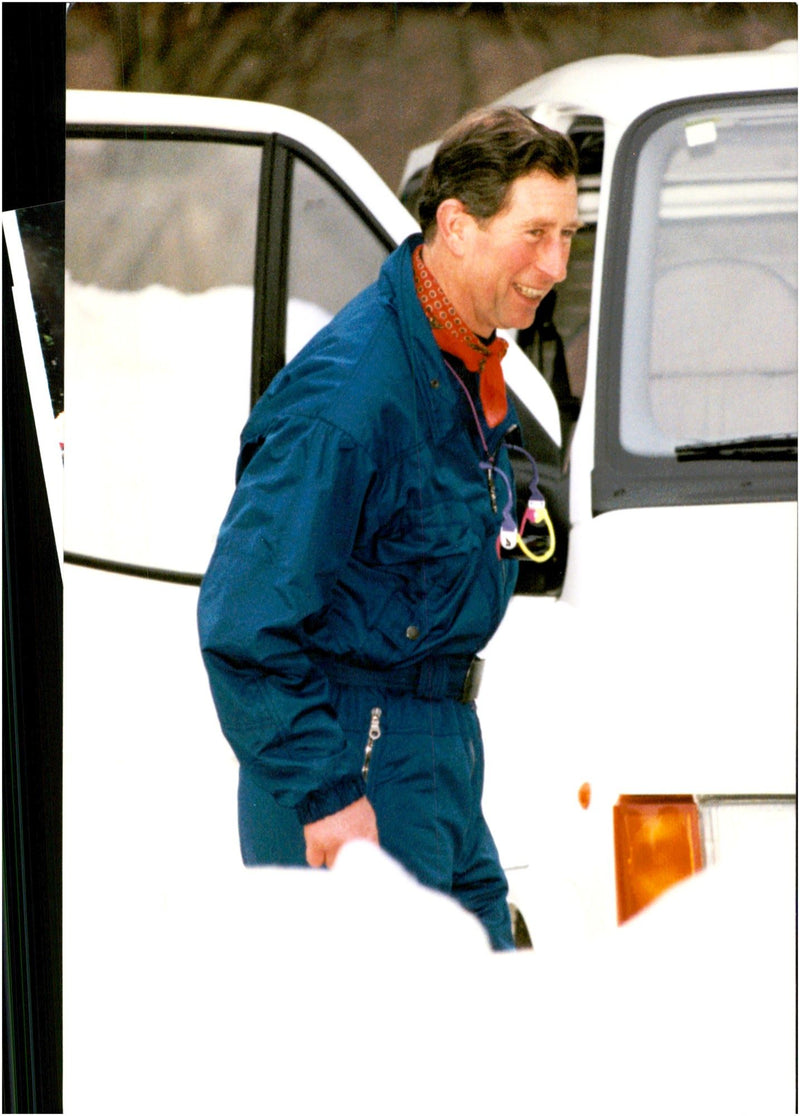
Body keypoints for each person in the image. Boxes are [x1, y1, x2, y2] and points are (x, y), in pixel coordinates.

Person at [197, 106, 579, 950]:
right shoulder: (350, 399)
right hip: (348, 759)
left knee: (483, 1017)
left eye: (568, 235)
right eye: (535, 233)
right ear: (457, 227)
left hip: (437, 752)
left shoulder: (467, 363)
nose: (555, 264)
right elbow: (242, 620)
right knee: (370, 1064)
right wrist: (323, 795)